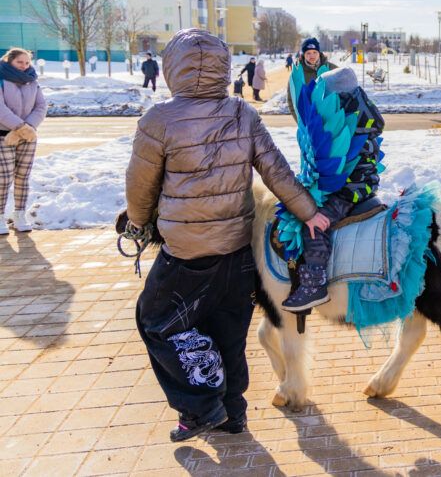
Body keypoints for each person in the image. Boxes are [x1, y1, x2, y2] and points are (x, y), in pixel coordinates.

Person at [125, 29, 329, 442]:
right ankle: (232, 413)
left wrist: (138, 223)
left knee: (155, 320)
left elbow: (140, 185)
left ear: (171, 68)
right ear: (223, 68)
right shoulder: (243, 113)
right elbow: (277, 171)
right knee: (229, 330)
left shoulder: (158, 119)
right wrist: (309, 212)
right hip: (236, 250)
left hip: (185, 253)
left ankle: (201, 407)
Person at [282, 67, 385, 311]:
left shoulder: (346, 125)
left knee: (315, 223)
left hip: (348, 192)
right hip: (363, 185)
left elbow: (333, 166)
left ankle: (315, 284)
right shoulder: (363, 115)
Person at [0, 48, 47, 234]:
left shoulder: (32, 81)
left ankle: (19, 215)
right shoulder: (2, 80)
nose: (24, 66)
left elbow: (41, 106)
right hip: (4, 135)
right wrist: (19, 127)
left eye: (27, 62)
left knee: (23, 177)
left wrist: (28, 127)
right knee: (3, 178)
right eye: (20, 62)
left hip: (28, 136)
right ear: (9, 61)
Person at [286, 37, 338, 120]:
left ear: (319, 53)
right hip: (308, 122)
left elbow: (343, 93)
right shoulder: (297, 74)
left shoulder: (332, 69)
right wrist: (301, 123)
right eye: (308, 53)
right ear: (303, 54)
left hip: (331, 121)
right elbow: (291, 101)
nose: (312, 56)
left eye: (314, 52)